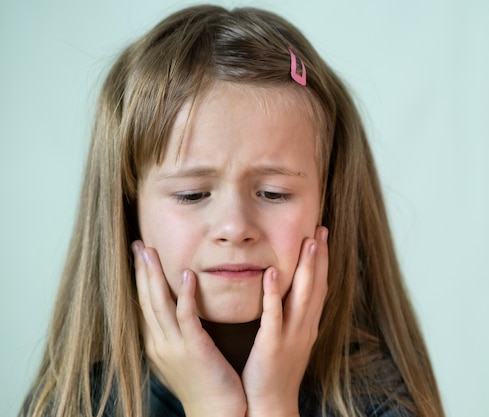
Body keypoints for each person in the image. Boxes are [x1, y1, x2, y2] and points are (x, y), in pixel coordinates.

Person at [20, 5, 445, 417]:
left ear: (327, 205)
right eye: (191, 195)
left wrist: (272, 407)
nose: (234, 228)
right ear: (129, 210)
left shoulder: (381, 402)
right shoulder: (75, 405)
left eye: (274, 193)